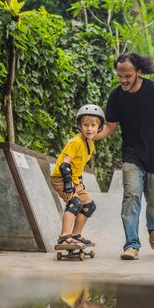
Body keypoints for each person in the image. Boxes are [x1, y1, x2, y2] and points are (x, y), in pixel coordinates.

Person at [95, 52, 154, 260]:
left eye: (128, 76)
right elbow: (110, 126)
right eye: (120, 75)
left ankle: (153, 226)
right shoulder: (116, 96)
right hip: (132, 154)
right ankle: (131, 245)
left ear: (139, 72)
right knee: (131, 195)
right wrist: (92, 136)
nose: (123, 80)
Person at [50, 104, 105, 247]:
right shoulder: (75, 142)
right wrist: (69, 186)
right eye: (85, 125)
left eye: (93, 125)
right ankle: (64, 236)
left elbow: (78, 165)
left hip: (74, 180)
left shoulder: (90, 144)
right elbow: (65, 165)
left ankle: (76, 235)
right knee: (74, 203)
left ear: (99, 128)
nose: (89, 128)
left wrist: (79, 182)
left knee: (89, 206)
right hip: (61, 178)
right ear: (79, 126)